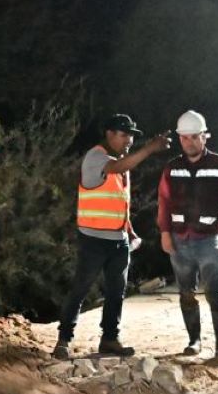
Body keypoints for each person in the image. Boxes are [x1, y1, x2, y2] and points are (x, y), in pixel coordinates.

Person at [54, 114, 169, 360]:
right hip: (93, 239)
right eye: (124, 134)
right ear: (109, 133)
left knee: (117, 291)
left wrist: (128, 228)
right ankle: (64, 340)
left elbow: (118, 202)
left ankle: (109, 339)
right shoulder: (96, 157)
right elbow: (118, 167)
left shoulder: (119, 162)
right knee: (81, 289)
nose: (129, 139)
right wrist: (148, 149)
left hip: (118, 239)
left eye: (131, 135)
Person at [157, 110, 218, 360]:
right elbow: (164, 201)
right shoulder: (172, 167)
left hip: (209, 240)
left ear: (205, 137)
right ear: (180, 139)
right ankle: (194, 341)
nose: (190, 142)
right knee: (186, 293)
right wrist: (164, 232)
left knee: (214, 292)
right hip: (180, 239)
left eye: (195, 137)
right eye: (185, 138)